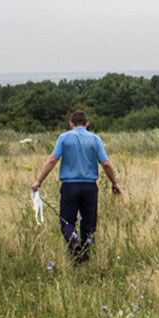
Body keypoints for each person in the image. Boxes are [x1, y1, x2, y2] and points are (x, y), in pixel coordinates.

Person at [31, 111, 121, 262]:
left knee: (67, 221)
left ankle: (73, 244)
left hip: (69, 187)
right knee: (89, 223)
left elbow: (53, 160)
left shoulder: (64, 138)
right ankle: (84, 256)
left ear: (71, 124)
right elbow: (105, 163)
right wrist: (114, 182)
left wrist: (39, 180)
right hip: (90, 187)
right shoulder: (95, 139)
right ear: (87, 123)